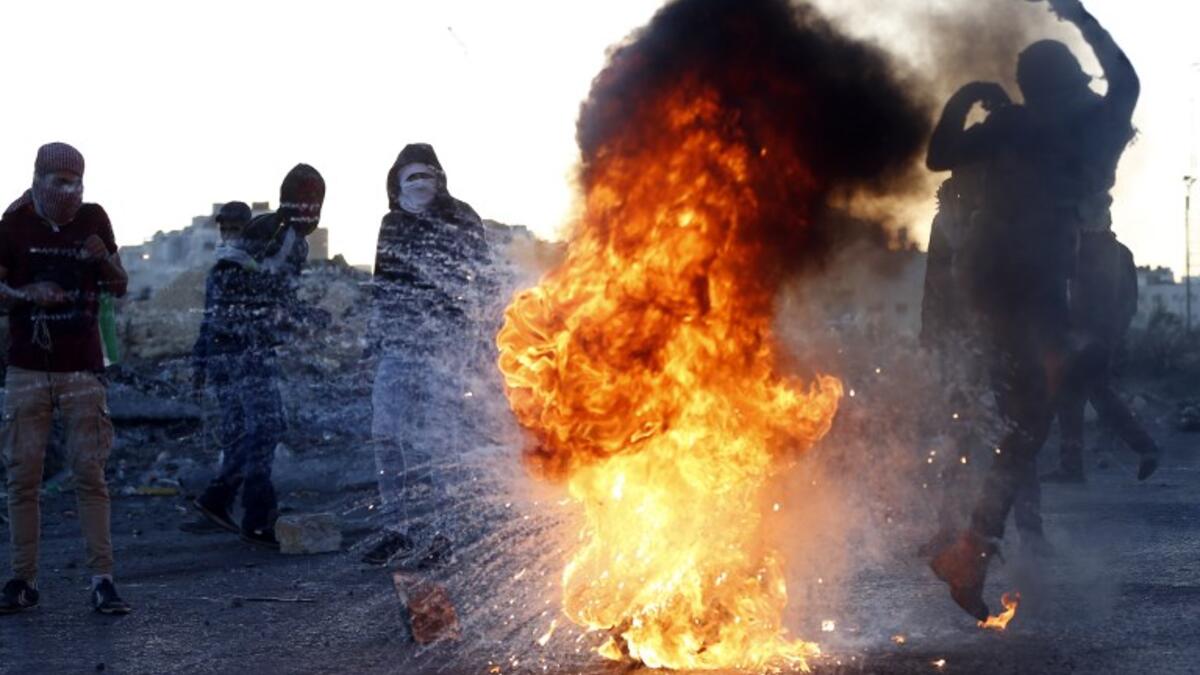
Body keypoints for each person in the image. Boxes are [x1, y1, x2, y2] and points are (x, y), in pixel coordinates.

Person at [924, 0, 1140, 620]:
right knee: (1027, 423)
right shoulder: (1087, 124)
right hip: (1033, 291)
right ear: (1072, 80)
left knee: (1026, 424)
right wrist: (1079, 16)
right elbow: (1126, 79)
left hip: (993, 288)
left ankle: (970, 549)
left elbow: (940, 154)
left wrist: (965, 95)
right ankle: (969, 549)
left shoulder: (1017, 125)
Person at [0, 143, 131, 614]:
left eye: (75, 181)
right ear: (37, 177)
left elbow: (120, 285)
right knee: (23, 479)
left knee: (90, 476)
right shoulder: (13, 224)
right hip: (27, 370)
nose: (68, 190)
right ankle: (22, 580)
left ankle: (103, 580)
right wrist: (26, 290)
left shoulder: (94, 218)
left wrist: (103, 259)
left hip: (83, 369)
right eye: (58, 180)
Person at [360, 143, 492, 569]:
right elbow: (383, 282)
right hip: (399, 343)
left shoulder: (459, 217)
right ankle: (396, 528)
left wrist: (480, 336)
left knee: (441, 439)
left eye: (427, 175)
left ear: (440, 178)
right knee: (386, 432)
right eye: (411, 177)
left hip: (447, 343)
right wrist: (375, 336)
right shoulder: (392, 224)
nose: (420, 184)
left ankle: (445, 533)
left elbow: (484, 278)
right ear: (397, 184)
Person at [188, 167, 326, 548]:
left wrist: (204, 359)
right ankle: (247, 511)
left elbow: (230, 291)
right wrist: (306, 318)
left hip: (229, 347)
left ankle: (239, 505)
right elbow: (265, 291)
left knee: (250, 429)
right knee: (266, 428)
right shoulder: (287, 236)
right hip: (245, 347)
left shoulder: (268, 228)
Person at [1044, 230, 1158, 482]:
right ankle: (1072, 465)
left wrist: (1079, 334)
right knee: (1077, 396)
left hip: (1087, 339)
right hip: (1100, 337)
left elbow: (1077, 298)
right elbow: (1130, 301)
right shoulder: (1120, 252)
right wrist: (1115, 334)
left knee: (1094, 395)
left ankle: (1145, 448)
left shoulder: (1084, 251)